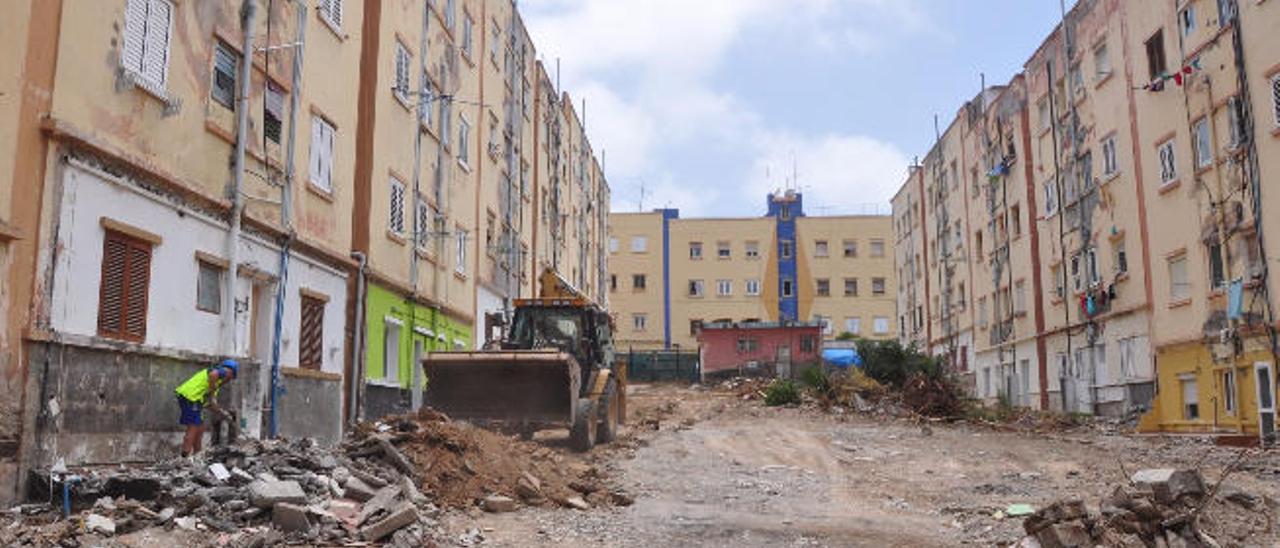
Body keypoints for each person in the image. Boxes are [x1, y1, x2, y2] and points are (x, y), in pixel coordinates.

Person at [174, 358, 238, 457]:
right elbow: (213, 375)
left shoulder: (215, 385)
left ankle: (197, 456)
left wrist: (223, 413)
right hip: (190, 397)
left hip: (194, 400)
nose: (228, 381)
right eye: (231, 378)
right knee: (193, 427)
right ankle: (184, 457)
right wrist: (212, 396)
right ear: (230, 372)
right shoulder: (222, 372)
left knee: (200, 428)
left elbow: (209, 404)